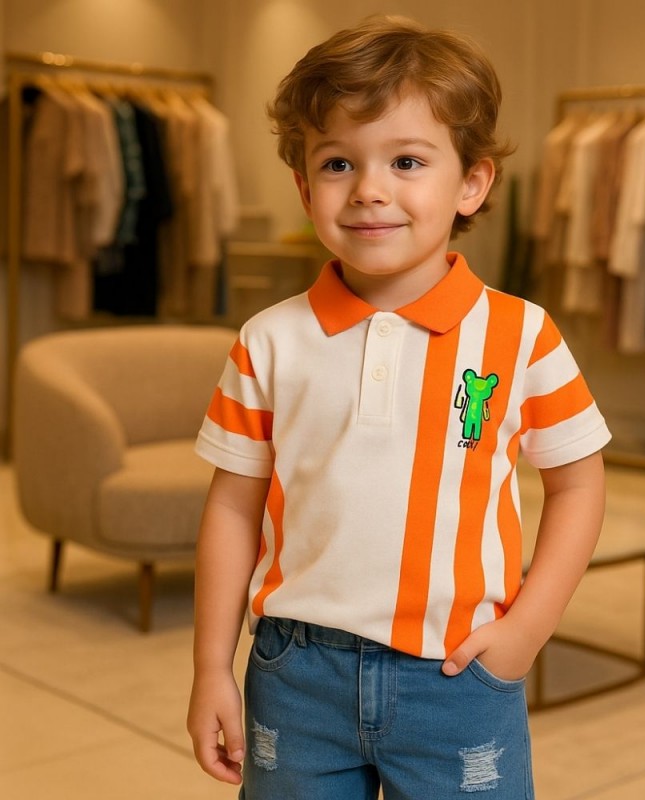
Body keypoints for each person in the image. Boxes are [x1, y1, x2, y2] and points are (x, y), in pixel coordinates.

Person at [187, 15, 610, 799]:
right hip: (294, 674)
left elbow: (580, 485)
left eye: (407, 161)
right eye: (338, 162)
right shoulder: (267, 341)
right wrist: (211, 664)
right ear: (304, 186)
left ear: (472, 183)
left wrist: (525, 632)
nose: (369, 189)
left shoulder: (522, 335)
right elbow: (233, 508)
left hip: (457, 676)